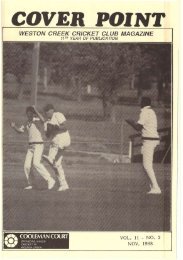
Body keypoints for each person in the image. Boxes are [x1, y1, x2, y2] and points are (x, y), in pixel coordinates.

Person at [10, 106, 55, 190]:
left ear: (33, 113)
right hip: (30, 146)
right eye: (28, 113)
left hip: (38, 144)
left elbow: (43, 120)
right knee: (26, 166)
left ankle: (50, 179)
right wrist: (14, 126)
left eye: (31, 113)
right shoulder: (26, 122)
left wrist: (36, 110)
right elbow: (20, 131)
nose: (29, 114)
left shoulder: (37, 120)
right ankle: (31, 184)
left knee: (36, 163)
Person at [126, 97, 161, 194]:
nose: (139, 103)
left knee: (147, 165)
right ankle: (152, 187)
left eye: (141, 101)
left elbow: (138, 127)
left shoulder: (144, 112)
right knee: (146, 165)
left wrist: (130, 122)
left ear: (144, 103)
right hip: (151, 140)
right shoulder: (151, 111)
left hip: (149, 140)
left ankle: (156, 188)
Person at [33, 104, 71, 192]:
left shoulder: (57, 115)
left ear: (52, 110)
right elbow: (47, 133)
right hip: (57, 143)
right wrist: (36, 111)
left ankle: (50, 158)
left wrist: (56, 128)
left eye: (47, 111)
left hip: (63, 138)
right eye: (45, 111)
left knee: (53, 153)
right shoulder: (47, 122)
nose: (46, 113)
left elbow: (65, 126)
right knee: (56, 165)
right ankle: (64, 184)